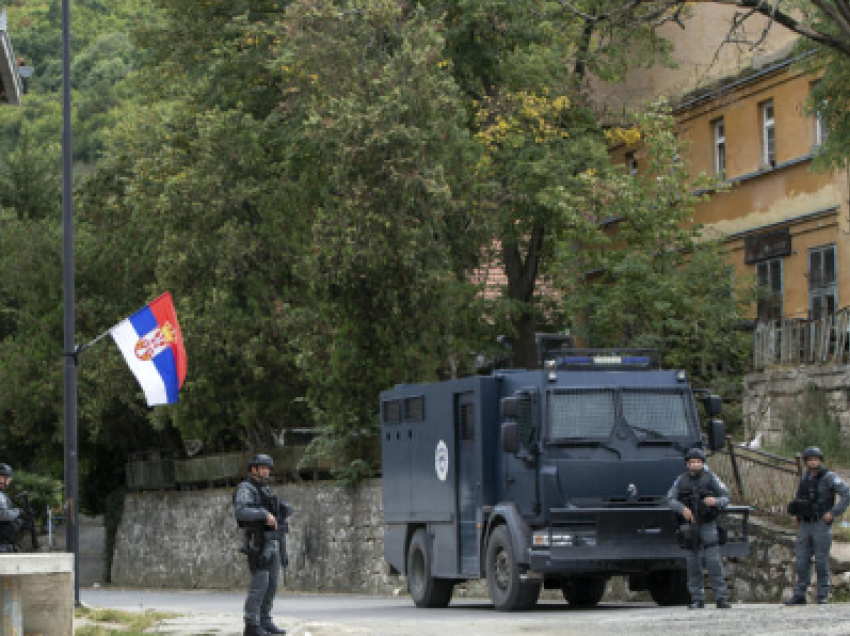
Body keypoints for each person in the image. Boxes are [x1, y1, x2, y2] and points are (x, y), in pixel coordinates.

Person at [784, 446, 850, 606]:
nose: (813, 462)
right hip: (805, 524)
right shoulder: (805, 477)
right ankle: (799, 594)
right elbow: (800, 498)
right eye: (810, 460)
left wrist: (833, 513)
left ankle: (822, 595)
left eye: (816, 459)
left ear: (820, 460)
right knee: (801, 560)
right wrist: (796, 514)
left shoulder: (829, 477)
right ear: (806, 462)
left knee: (821, 560)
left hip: (821, 523)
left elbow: (846, 493)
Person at [667, 447, 732, 609]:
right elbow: (670, 499)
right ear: (687, 464)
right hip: (690, 526)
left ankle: (721, 598)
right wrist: (682, 509)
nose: (695, 465)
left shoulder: (711, 478)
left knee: (713, 562)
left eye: (698, 462)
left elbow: (726, 497)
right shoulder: (681, 480)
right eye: (692, 462)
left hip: (708, 523)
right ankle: (696, 598)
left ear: (703, 463)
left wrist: (715, 502)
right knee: (692, 563)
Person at [234, 454, 290, 636]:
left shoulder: (264, 489)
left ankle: (264, 621)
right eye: (262, 467)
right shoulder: (246, 488)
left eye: (268, 468)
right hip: (257, 543)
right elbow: (242, 511)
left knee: (272, 584)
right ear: (253, 469)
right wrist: (264, 515)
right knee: (260, 584)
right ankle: (251, 624)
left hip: (271, 542)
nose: (266, 471)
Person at [0, 463, 21, 553]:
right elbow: (2, 515)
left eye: (8, 478)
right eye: (4, 478)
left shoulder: (3, 495)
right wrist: (18, 512)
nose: (7, 482)